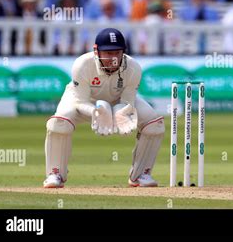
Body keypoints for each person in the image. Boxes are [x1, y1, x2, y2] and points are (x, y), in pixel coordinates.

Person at [43, 28, 164, 188]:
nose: (113, 58)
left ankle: (141, 174)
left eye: (116, 52)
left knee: (154, 124)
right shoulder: (82, 64)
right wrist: (96, 112)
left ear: (124, 52)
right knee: (59, 122)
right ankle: (55, 173)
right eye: (108, 53)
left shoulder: (133, 68)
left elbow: (128, 101)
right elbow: (80, 101)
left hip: (116, 100)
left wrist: (120, 114)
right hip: (83, 102)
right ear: (96, 51)